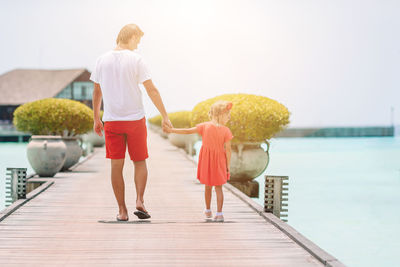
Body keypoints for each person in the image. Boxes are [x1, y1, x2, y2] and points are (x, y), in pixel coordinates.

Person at [91, 23, 172, 221]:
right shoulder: (137, 60)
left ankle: (122, 211)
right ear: (133, 36)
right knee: (139, 161)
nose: (139, 44)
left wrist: (96, 118)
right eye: (139, 40)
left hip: (112, 121)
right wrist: (165, 115)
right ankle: (140, 200)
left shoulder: (101, 60)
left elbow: (97, 92)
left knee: (116, 166)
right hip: (135, 119)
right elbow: (151, 89)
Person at [165, 101, 233, 222]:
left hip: (206, 160)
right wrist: (228, 165)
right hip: (220, 161)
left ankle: (208, 210)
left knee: (208, 186)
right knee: (219, 187)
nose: (229, 118)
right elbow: (228, 149)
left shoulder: (204, 126)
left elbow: (187, 131)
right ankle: (219, 213)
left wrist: (172, 130)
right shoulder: (226, 130)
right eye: (227, 116)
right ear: (220, 115)